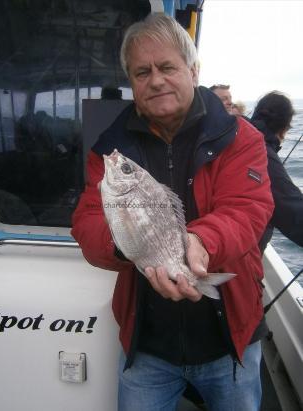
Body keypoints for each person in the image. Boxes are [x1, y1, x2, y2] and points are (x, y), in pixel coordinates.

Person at [71, 13, 274, 411]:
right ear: (131, 81)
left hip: (230, 337)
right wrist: (129, 239)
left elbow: (248, 211)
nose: (156, 80)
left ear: (193, 70)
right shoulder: (109, 150)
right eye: (142, 72)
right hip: (147, 347)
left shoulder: (241, 138)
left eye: (167, 67)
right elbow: (88, 222)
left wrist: (200, 241)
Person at [250, 91, 303, 252]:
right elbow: (292, 213)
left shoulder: (243, 138)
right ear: (284, 128)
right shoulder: (261, 152)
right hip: (239, 261)